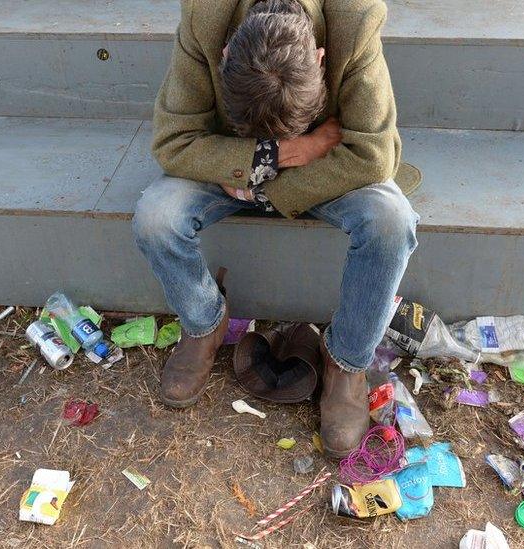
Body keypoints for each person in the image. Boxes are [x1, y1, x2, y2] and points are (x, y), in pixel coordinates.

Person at [134, 0, 421, 458]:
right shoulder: (205, 14)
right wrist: (279, 155)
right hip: (232, 166)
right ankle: (204, 323)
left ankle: (347, 362)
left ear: (321, 61)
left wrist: (281, 187)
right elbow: (172, 141)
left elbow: (374, 153)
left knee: (392, 222)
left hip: (326, 170)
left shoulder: (356, 16)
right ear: (227, 53)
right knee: (156, 218)